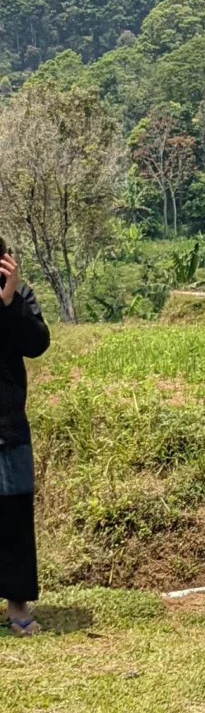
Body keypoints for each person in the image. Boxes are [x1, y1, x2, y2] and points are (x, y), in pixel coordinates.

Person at [0, 244, 49, 635]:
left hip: (8, 427)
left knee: (14, 516)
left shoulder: (20, 297)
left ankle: (17, 605)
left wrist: (10, 299)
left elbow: (36, 344)